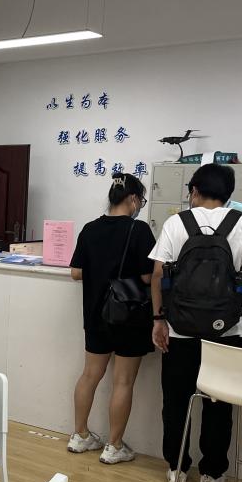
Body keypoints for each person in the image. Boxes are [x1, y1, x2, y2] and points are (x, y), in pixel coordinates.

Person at [150, 164, 242, 482]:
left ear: (194, 191)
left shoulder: (177, 222)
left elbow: (158, 274)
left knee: (177, 401)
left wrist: (158, 320)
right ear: (228, 195)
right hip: (227, 331)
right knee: (219, 403)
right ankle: (211, 476)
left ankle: (177, 470)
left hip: (180, 328)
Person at [68, 173, 155, 464]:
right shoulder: (139, 230)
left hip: (96, 314)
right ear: (133, 199)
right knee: (123, 381)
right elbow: (148, 276)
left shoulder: (90, 228)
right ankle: (114, 446)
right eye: (141, 200)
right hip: (129, 316)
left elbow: (76, 272)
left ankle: (80, 435)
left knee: (89, 375)